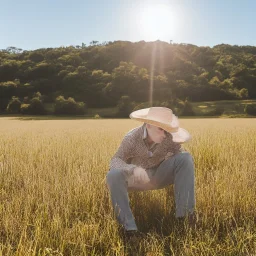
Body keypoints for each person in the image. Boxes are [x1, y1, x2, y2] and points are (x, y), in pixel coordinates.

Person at [106, 107, 196, 237]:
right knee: (113, 175)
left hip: (158, 176)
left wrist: (174, 156)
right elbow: (115, 160)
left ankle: (186, 217)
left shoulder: (169, 138)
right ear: (148, 125)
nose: (164, 134)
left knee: (185, 158)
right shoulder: (131, 138)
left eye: (166, 129)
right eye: (160, 129)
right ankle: (129, 229)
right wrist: (133, 169)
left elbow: (180, 159)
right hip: (136, 180)